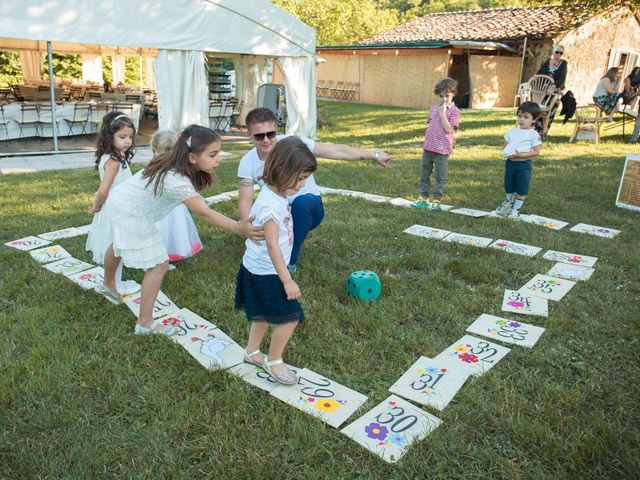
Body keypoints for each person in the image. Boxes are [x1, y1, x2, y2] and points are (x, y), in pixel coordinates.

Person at [90, 125, 263, 335]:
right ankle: (145, 323)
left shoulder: (173, 162)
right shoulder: (175, 178)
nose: (219, 159)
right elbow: (204, 212)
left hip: (121, 201)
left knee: (118, 244)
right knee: (159, 264)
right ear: (191, 157)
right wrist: (238, 227)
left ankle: (108, 285)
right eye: (213, 154)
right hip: (129, 211)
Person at [237, 108, 393, 273]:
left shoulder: (293, 144)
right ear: (249, 135)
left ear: (276, 129)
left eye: (271, 133)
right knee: (265, 211)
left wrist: (374, 155)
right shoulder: (247, 162)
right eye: (260, 136)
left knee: (300, 204)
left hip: (309, 208)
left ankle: (289, 262)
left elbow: (337, 151)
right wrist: (247, 226)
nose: (267, 140)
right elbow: (245, 200)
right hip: (279, 209)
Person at [235, 137, 316, 385]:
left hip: (256, 267)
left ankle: (251, 352)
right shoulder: (271, 206)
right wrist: (287, 280)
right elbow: (272, 246)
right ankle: (274, 360)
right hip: (268, 273)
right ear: (282, 170)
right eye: (300, 178)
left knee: (262, 315)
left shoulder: (275, 197)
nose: (303, 185)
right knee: (290, 317)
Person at [85, 111, 140, 295]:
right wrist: (96, 206)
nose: (127, 141)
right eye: (122, 136)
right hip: (117, 209)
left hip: (120, 206)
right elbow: (103, 190)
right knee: (116, 246)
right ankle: (111, 284)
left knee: (118, 246)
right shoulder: (114, 162)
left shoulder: (115, 156)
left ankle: (113, 282)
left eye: (130, 137)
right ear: (110, 136)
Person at [151, 130, 203, 265]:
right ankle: (157, 259)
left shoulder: (175, 168)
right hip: (162, 208)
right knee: (161, 232)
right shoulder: (158, 169)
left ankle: (165, 256)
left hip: (174, 207)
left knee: (173, 231)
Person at [410, 77, 460, 211]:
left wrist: (443, 114)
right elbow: (431, 126)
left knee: (440, 176)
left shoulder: (454, 111)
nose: (444, 99)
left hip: (442, 151)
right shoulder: (433, 109)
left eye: (447, 96)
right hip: (428, 148)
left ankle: (437, 200)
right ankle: (423, 198)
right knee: (424, 174)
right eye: (441, 96)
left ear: (453, 94)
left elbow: (448, 129)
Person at [493, 102, 542, 219]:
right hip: (510, 164)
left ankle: (516, 210)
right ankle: (508, 203)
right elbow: (505, 146)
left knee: (521, 188)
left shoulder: (533, 134)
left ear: (534, 120)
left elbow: (536, 152)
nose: (521, 119)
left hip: (523, 165)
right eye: (519, 116)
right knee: (509, 186)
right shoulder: (512, 131)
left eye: (526, 117)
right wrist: (507, 153)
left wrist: (521, 155)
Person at [533, 44, 568, 136]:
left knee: (550, 111)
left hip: (555, 90)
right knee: (540, 108)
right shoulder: (548, 62)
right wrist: (535, 77)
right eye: (557, 52)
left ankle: (544, 130)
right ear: (553, 52)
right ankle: (536, 129)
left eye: (561, 53)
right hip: (543, 91)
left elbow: (561, 78)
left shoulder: (563, 64)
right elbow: (540, 73)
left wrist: (552, 88)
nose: (558, 55)